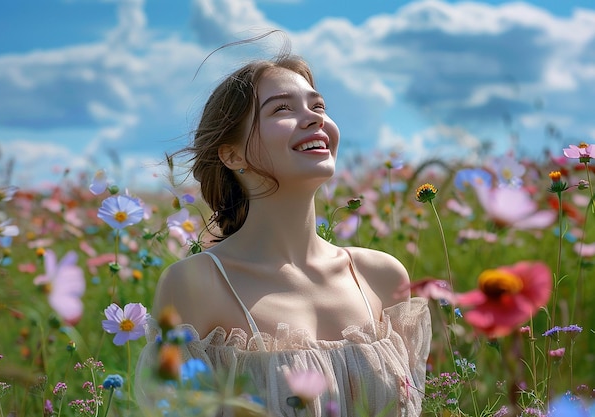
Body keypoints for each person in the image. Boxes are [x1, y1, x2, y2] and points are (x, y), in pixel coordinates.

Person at [136, 44, 432, 416]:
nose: (314, 119)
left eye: (318, 106)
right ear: (232, 155)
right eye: (282, 109)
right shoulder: (196, 284)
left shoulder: (381, 277)